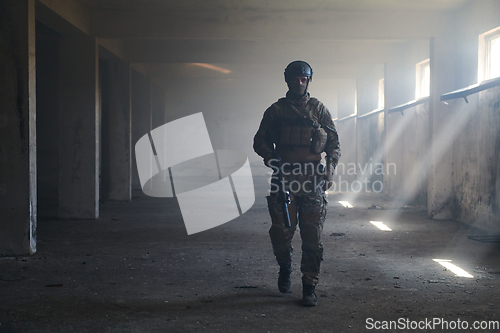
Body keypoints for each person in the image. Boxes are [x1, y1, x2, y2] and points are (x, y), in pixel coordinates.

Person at [253, 60, 340, 306]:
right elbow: (260, 140)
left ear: (308, 81)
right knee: (282, 233)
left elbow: (334, 143)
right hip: (284, 178)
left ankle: (309, 286)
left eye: (304, 79)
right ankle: (285, 265)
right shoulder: (276, 111)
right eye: (295, 79)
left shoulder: (318, 109)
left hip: (312, 177)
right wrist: (271, 158)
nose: (299, 83)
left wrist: (330, 169)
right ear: (288, 80)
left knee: (312, 235)